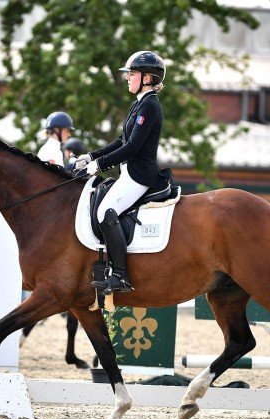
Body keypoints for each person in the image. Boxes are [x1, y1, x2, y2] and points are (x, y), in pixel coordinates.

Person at [75, 51, 172, 294]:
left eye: (132, 74)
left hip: (140, 175)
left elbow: (132, 148)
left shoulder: (150, 105)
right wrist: (92, 156)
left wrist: (100, 166)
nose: (128, 78)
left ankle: (120, 275)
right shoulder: (139, 103)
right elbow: (121, 140)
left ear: (147, 78)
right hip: (128, 173)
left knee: (107, 213)